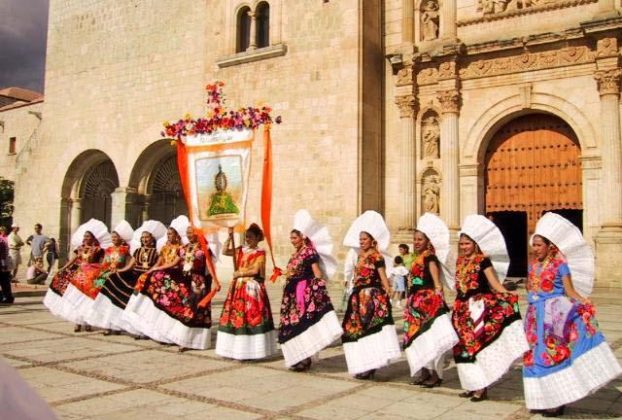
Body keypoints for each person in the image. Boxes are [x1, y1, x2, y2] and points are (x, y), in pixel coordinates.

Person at [523, 213, 621, 417]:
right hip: (534, 317)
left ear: (550, 246)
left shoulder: (561, 266)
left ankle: (558, 400)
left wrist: (584, 303)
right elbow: (530, 288)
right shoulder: (533, 266)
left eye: (539, 245)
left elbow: (570, 291)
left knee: (553, 356)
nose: (535, 249)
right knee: (534, 355)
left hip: (554, 317)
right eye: (534, 245)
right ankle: (541, 398)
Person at [452, 215, 529, 402]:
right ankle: (471, 384)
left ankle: (481, 387)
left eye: (467, 244)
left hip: (477, 308)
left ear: (475, 244)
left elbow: (494, 284)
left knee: (477, 346)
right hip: (461, 309)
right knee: (462, 349)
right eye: (462, 244)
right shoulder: (459, 262)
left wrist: (508, 296)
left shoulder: (483, 261)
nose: (464, 247)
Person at [132, 225, 220, 351]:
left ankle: (194, 341)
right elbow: (174, 263)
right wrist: (158, 268)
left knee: (194, 309)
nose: (189, 235)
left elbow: (209, 266)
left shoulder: (204, 249)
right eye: (187, 233)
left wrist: (216, 281)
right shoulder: (183, 248)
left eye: (191, 232)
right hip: (183, 279)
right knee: (183, 308)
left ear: (198, 234)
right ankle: (182, 339)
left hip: (197, 282)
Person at [278, 210, 343, 371]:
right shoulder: (295, 254)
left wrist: (318, 288)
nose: (292, 240)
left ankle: (305, 357)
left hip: (303, 294)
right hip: (291, 295)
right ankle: (297, 355)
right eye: (291, 238)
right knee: (293, 326)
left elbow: (316, 272)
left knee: (303, 324)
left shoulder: (308, 252)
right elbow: (293, 271)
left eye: (294, 237)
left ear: (303, 237)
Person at [341, 211, 401, 379]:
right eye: (360, 239)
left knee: (371, 330)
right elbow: (355, 276)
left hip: (372, 297)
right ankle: (364, 363)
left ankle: (373, 363)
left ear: (372, 240)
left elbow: (383, 276)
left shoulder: (376, 256)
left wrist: (388, 291)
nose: (362, 242)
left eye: (364, 239)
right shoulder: (359, 256)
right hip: (358, 297)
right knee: (358, 331)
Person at [404, 213, 458, 388]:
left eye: (420, 239)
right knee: (420, 337)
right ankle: (424, 371)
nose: (417, 242)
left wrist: (437, 298)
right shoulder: (415, 258)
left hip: (429, 302)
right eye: (415, 239)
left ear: (428, 241)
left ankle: (436, 374)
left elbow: (437, 282)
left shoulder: (430, 258)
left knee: (433, 336)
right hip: (415, 303)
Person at [88, 220, 165, 336]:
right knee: (112, 279)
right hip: (134, 274)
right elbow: (130, 265)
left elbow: (155, 267)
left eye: (147, 237)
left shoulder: (156, 252)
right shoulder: (138, 251)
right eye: (143, 237)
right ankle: (111, 322)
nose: (145, 239)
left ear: (152, 239)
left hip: (147, 276)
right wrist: (119, 271)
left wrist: (147, 273)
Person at [216, 223, 277, 360]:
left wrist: (240, 273)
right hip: (238, 289)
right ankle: (234, 349)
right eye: (246, 237)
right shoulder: (241, 250)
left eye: (250, 237)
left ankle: (250, 351)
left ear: (257, 238)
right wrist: (229, 236)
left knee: (250, 318)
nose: (248, 239)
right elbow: (225, 251)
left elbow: (255, 270)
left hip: (251, 289)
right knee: (235, 318)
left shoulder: (260, 253)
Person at [123, 216, 189, 344]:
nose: (169, 236)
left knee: (155, 281)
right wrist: (150, 271)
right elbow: (158, 263)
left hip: (174, 274)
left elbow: (173, 264)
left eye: (172, 234)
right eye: (168, 234)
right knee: (141, 280)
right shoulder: (157, 248)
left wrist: (154, 270)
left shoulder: (181, 249)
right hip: (153, 273)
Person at [43, 219, 109, 332]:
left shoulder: (98, 249)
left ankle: (88, 322)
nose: (86, 238)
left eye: (89, 236)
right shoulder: (80, 248)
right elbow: (74, 259)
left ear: (93, 238)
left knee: (88, 301)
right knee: (75, 299)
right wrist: (63, 268)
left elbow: (103, 262)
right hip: (79, 276)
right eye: (85, 236)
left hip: (92, 276)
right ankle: (78, 322)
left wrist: (103, 274)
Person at [83, 221, 133, 335]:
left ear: (121, 238)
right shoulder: (108, 249)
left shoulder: (125, 250)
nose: (114, 238)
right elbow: (104, 262)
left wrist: (120, 271)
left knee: (114, 302)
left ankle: (116, 326)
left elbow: (128, 264)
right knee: (99, 297)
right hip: (106, 275)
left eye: (116, 237)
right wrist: (100, 273)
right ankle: (105, 325)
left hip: (118, 276)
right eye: (113, 237)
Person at [0, 227, 13, 304]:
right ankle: (7, 297)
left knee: (4, 281)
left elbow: (2, 255)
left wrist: (3, 264)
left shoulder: (1, 241)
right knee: (5, 281)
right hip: (3, 264)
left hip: (2, 264)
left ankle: (7, 297)